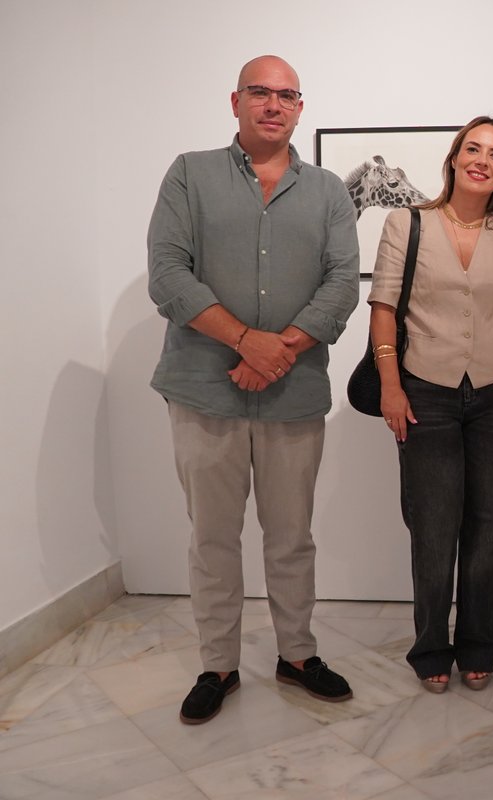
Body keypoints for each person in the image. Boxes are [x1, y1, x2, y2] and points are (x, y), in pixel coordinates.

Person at [148, 55, 359, 724]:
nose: (273, 104)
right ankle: (218, 665)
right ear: (235, 101)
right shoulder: (190, 174)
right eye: (260, 93)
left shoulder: (327, 190)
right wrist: (247, 340)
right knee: (212, 537)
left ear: (301, 107)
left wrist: (278, 349)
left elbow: (341, 285)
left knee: (291, 536)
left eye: (286, 95)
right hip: (203, 391)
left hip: (293, 395)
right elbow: (167, 274)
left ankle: (296, 655)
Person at [368, 117, 493, 693]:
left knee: (487, 529)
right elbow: (384, 308)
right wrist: (391, 386)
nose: (482, 160)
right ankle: (430, 649)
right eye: (474, 149)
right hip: (425, 394)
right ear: (454, 157)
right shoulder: (408, 223)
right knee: (433, 529)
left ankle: (478, 644)